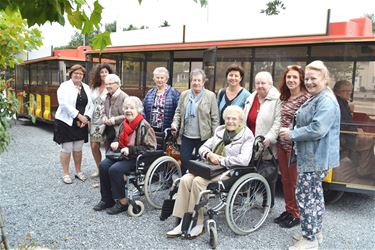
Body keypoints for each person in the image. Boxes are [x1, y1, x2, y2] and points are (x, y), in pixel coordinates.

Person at [166, 106, 254, 238]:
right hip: (210, 168)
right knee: (185, 179)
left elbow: (244, 160)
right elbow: (203, 148)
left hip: (229, 171)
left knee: (197, 182)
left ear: (241, 121)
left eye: (234, 119)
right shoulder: (220, 131)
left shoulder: (246, 135)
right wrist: (208, 155)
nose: (230, 121)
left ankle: (198, 223)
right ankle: (182, 220)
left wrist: (221, 160)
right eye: (228, 118)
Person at [279, 61, 340, 250]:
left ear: (324, 79)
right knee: (315, 195)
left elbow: (318, 129)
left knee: (305, 196)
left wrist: (291, 134)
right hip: (312, 156)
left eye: (314, 78)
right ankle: (315, 231)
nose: (309, 82)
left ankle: (310, 239)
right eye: (307, 78)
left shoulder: (326, 100)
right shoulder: (317, 96)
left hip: (315, 157)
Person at [93, 96, 157, 214]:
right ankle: (107, 199)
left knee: (115, 169)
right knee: (103, 165)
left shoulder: (145, 126)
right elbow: (118, 138)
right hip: (122, 155)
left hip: (137, 158)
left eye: (132, 108)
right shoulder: (124, 123)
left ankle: (122, 202)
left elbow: (151, 148)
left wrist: (131, 150)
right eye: (126, 108)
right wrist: (116, 142)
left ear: (138, 110)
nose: (128, 110)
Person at [275, 65, 311, 228]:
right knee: (285, 180)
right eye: (288, 77)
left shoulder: (306, 98)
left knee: (295, 182)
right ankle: (289, 210)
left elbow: (309, 123)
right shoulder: (285, 97)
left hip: (297, 148)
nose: (291, 80)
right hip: (282, 146)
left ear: (301, 79)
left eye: (294, 77)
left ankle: (297, 213)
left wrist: (291, 131)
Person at [243, 71, 281, 208]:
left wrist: (270, 138)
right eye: (257, 83)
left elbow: (278, 122)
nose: (260, 86)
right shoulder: (251, 97)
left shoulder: (277, 99)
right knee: (251, 171)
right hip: (251, 142)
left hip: (267, 143)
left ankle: (268, 203)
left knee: (268, 173)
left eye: (263, 83)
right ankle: (250, 199)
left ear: (270, 84)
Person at [171, 68, 219, 174]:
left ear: (203, 82)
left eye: (199, 80)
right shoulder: (184, 94)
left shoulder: (210, 96)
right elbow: (178, 112)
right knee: (184, 160)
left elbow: (215, 118)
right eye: (194, 80)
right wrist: (174, 124)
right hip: (187, 135)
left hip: (203, 136)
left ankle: (196, 185)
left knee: (201, 162)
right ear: (191, 81)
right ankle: (183, 183)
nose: (196, 83)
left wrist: (215, 137)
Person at [53, 64, 94, 184]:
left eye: (81, 74)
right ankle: (65, 173)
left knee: (78, 148)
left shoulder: (86, 87)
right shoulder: (64, 86)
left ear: (83, 76)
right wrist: (79, 116)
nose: (78, 75)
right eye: (76, 73)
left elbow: (91, 105)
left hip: (81, 123)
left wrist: (86, 117)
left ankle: (78, 171)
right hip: (66, 121)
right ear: (71, 74)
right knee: (67, 148)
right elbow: (64, 104)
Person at [333, 80, 375, 179]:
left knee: (368, 139)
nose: (349, 94)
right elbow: (344, 124)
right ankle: (364, 170)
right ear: (339, 91)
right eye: (346, 91)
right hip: (344, 137)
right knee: (369, 141)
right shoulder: (338, 104)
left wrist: (357, 130)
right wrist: (356, 131)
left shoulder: (342, 102)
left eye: (350, 91)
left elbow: (348, 122)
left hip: (347, 134)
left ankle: (364, 169)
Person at [89, 63, 113, 177]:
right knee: (94, 145)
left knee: (108, 145)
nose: (104, 74)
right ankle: (99, 168)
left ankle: (107, 169)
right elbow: (89, 104)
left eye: (106, 72)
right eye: (101, 72)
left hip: (106, 120)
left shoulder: (112, 86)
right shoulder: (94, 87)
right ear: (98, 74)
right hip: (94, 120)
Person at [143, 67, 180, 132]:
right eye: (157, 77)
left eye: (162, 78)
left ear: (166, 79)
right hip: (150, 130)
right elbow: (143, 109)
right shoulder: (150, 93)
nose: (159, 80)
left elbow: (178, 112)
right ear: (154, 79)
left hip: (167, 130)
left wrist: (174, 126)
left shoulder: (174, 93)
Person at [102, 74, 128, 146]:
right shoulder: (107, 96)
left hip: (120, 130)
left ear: (118, 84)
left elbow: (128, 115)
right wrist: (104, 117)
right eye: (106, 84)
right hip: (108, 128)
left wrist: (114, 120)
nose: (107, 86)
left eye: (110, 84)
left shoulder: (125, 97)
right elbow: (104, 111)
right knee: (107, 152)